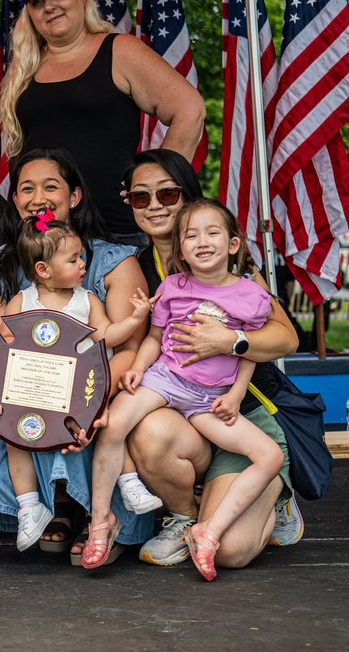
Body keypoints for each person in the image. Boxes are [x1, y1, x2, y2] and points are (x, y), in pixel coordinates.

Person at [0, 147, 152, 562]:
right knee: (10, 430)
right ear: (14, 201)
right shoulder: (4, 268)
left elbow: (126, 346)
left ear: (74, 196)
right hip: (32, 394)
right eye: (26, 188)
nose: (37, 196)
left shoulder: (108, 262)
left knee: (83, 427)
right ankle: (47, 508)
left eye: (50, 186)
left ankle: (101, 519)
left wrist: (83, 403)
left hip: (98, 395)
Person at [122, 149, 302, 569]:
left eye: (167, 194)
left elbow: (287, 338)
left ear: (187, 197)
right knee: (144, 428)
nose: (154, 206)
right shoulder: (133, 267)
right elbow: (138, 343)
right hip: (180, 406)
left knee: (233, 553)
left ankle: (273, 492)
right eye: (140, 197)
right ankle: (187, 518)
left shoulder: (231, 264)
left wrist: (230, 341)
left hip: (237, 411)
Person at [84, 199, 282, 580]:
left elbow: (251, 351)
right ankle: (101, 521)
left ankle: (209, 532)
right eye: (191, 235)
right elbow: (156, 337)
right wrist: (139, 368)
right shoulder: (173, 286)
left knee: (269, 456)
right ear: (180, 248)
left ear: (233, 244)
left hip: (210, 399)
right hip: (165, 379)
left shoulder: (251, 295)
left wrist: (238, 392)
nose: (202, 241)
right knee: (112, 424)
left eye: (212, 233)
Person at [0, 0, 205, 243]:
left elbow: (189, 108)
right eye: (37, 1)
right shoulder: (24, 70)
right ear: (29, 15)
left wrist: (154, 187)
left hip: (115, 233)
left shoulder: (119, 50)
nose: (49, 6)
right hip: (44, 235)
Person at [0, 213, 151, 551]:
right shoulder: (23, 302)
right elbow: (3, 345)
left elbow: (108, 336)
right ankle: (30, 506)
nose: (83, 264)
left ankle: (128, 482)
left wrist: (136, 319)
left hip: (80, 389)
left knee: (107, 421)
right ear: (43, 269)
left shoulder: (87, 300)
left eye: (81, 255)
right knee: (13, 435)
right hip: (39, 390)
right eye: (73, 259)